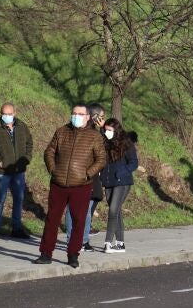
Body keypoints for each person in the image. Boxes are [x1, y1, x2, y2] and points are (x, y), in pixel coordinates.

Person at [35, 104, 107, 268]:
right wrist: (53, 169)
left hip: (81, 185)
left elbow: (101, 159)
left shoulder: (94, 136)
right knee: (52, 219)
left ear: (87, 117)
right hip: (58, 184)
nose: (76, 116)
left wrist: (87, 174)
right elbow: (49, 152)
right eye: (74, 113)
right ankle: (46, 253)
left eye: (80, 114)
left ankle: (73, 255)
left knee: (79, 221)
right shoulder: (61, 131)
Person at [0, 102, 33, 239]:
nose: (7, 116)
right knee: (0, 199)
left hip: (18, 171)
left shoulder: (22, 126)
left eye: (9, 114)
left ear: (14, 113)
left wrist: (26, 159)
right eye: (4, 114)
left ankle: (17, 228)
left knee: (19, 199)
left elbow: (29, 143)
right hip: (2, 172)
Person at [65, 103, 107, 251]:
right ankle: (78, 240)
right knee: (78, 210)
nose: (103, 120)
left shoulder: (93, 132)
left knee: (82, 209)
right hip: (80, 176)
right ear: (94, 117)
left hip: (85, 175)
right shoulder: (86, 132)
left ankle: (79, 240)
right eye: (101, 117)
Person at [100, 119, 138, 253]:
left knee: (112, 211)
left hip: (122, 182)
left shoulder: (126, 144)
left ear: (116, 131)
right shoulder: (105, 142)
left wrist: (122, 172)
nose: (107, 132)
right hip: (108, 181)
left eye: (110, 130)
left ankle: (108, 243)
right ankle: (120, 243)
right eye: (106, 130)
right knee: (116, 211)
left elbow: (134, 163)